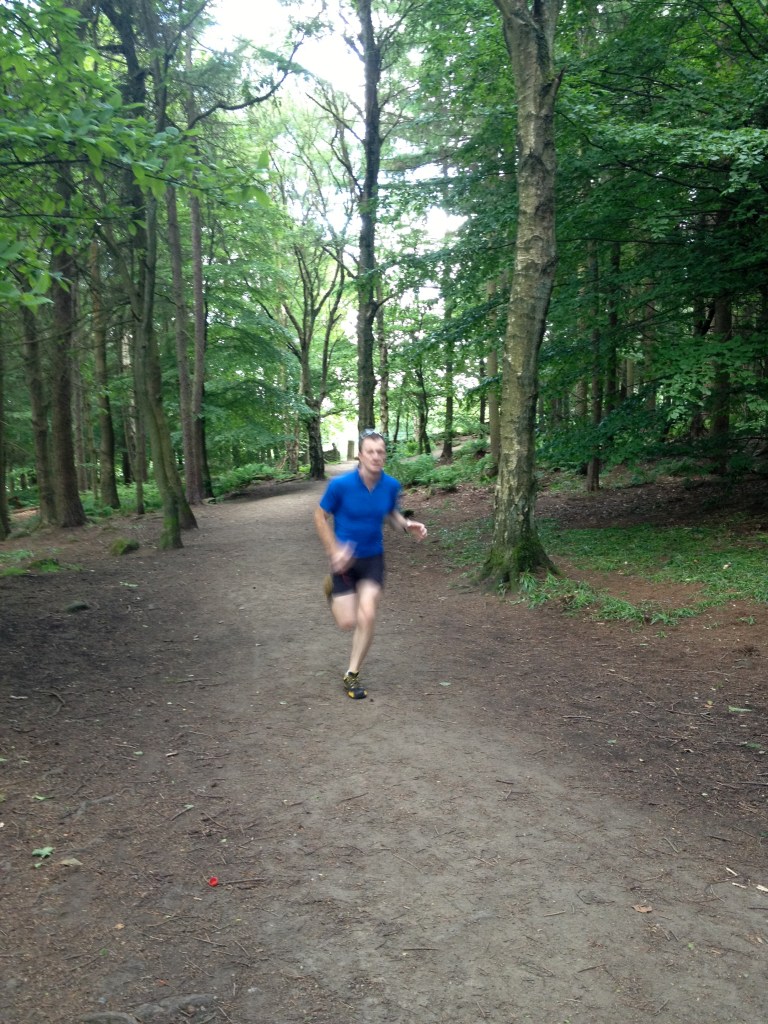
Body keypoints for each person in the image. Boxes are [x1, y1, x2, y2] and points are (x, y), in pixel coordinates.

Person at [314, 429, 428, 699]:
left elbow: (389, 512)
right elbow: (319, 516)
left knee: (367, 614)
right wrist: (334, 550)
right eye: (370, 452)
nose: (376, 456)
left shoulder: (391, 485)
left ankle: (352, 674)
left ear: (385, 455)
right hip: (345, 562)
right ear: (360, 455)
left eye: (380, 452)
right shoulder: (340, 486)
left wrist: (406, 524)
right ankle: (332, 587)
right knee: (347, 622)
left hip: (373, 559)